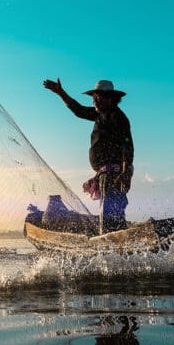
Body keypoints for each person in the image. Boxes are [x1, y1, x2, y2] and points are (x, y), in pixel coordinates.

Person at [43, 78, 134, 233]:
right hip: (107, 174)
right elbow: (78, 110)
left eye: (98, 97)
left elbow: (127, 144)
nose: (94, 101)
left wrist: (125, 172)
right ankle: (114, 240)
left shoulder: (116, 116)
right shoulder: (101, 114)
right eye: (94, 98)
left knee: (110, 218)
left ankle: (113, 244)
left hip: (114, 174)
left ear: (110, 99)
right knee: (110, 216)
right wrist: (60, 92)